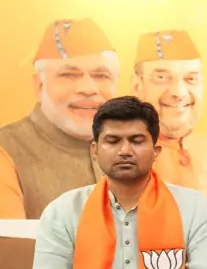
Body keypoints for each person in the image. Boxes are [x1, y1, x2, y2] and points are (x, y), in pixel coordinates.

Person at [25, 96, 207, 269]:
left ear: (156, 151)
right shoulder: (63, 210)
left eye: (136, 141)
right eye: (112, 141)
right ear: (94, 150)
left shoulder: (194, 206)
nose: (124, 151)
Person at [0, 19, 118, 219]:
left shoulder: (134, 146)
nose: (88, 89)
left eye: (101, 75)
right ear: (39, 86)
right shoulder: (7, 152)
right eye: (68, 75)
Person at [132, 30, 207, 219]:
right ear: (137, 86)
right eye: (162, 78)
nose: (179, 92)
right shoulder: (115, 157)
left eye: (191, 79)